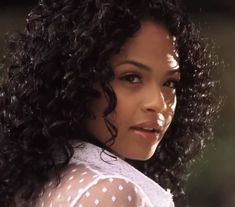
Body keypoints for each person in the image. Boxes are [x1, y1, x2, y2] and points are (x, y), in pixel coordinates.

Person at [0, 0, 222, 206]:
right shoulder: (112, 192)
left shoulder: (44, 180)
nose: (159, 103)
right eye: (131, 77)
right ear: (76, 79)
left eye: (170, 83)